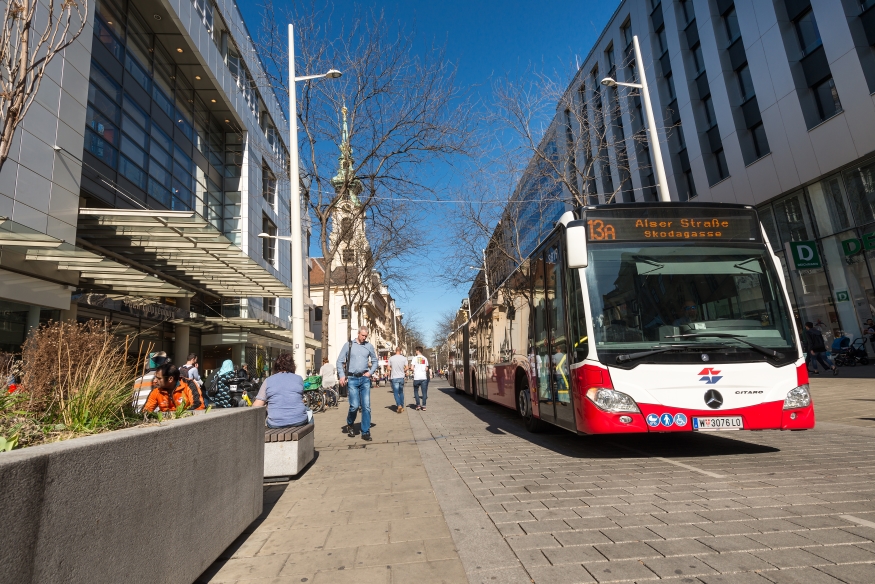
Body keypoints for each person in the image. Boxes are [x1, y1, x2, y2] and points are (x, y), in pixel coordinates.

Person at [337, 326, 379, 441]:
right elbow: (339, 361)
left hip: (365, 379)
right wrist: (341, 375)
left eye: (366, 336)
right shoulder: (349, 345)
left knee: (366, 406)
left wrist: (370, 373)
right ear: (358, 333)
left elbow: (375, 361)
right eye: (362, 335)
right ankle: (350, 423)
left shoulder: (369, 346)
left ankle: (365, 431)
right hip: (352, 379)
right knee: (354, 406)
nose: (364, 338)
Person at [252, 352, 309, 428]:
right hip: (299, 421)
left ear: (276, 366)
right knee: (308, 411)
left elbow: (257, 405)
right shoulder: (299, 379)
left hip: (275, 424)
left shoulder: (268, 380)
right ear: (292, 366)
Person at [388, 346, 408, 413]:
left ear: (395, 351)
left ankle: (399, 405)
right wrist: (403, 370)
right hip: (401, 377)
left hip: (394, 377)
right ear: (401, 351)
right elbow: (407, 367)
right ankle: (402, 406)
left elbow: (388, 368)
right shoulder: (404, 358)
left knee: (396, 392)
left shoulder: (391, 358)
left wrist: (392, 369)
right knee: (401, 392)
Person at [411, 347, 430, 411]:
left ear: (418, 351)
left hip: (417, 377)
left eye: (415, 350)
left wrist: (415, 370)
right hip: (423, 377)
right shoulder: (425, 358)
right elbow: (427, 368)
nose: (415, 351)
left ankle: (418, 405)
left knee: (416, 391)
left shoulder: (414, 358)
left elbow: (412, 367)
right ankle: (424, 406)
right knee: (424, 392)